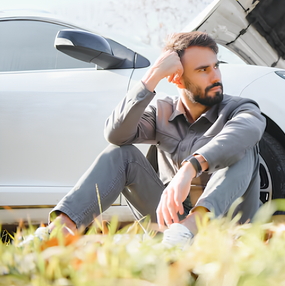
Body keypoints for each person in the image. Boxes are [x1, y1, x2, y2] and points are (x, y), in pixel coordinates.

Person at [45, 31, 266, 246]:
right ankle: (55, 233)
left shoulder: (241, 109)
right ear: (177, 80)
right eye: (203, 70)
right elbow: (115, 133)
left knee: (245, 148)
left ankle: (189, 229)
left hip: (229, 232)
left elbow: (246, 131)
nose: (215, 76)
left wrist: (190, 168)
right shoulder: (162, 112)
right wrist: (153, 76)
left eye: (216, 66)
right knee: (120, 153)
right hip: (170, 230)